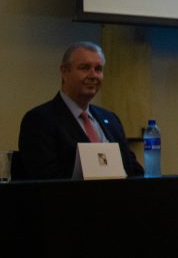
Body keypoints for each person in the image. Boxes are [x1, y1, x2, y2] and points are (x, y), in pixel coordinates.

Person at [18, 40, 143, 180]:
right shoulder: (40, 120)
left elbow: (133, 170)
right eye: (85, 68)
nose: (93, 75)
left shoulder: (111, 119)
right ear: (65, 72)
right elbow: (46, 178)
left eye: (98, 69)